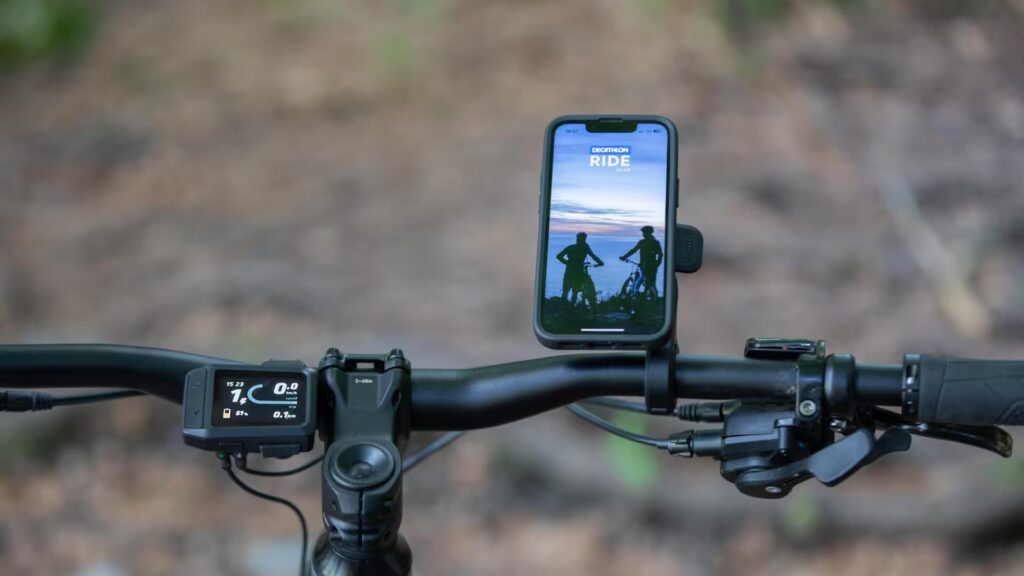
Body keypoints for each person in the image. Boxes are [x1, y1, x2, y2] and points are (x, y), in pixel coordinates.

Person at [557, 232, 604, 304]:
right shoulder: (585, 248)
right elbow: (593, 256)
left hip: (569, 270)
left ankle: (564, 306)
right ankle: (572, 307)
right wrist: (600, 263)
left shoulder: (571, 247)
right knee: (575, 291)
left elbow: (559, 256)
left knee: (566, 290)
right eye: (584, 239)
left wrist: (567, 263)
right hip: (579, 271)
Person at [620, 225, 662, 299]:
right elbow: (660, 255)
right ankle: (655, 299)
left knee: (641, 279)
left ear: (647, 233)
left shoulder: (642, 242)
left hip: (644, 265)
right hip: (652, 266)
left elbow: (633, 251)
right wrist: (657, 264)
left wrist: (624, 257)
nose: (643, 234)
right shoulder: (655, 242)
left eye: (644, 232)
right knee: (652, 282)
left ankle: (637, 297)